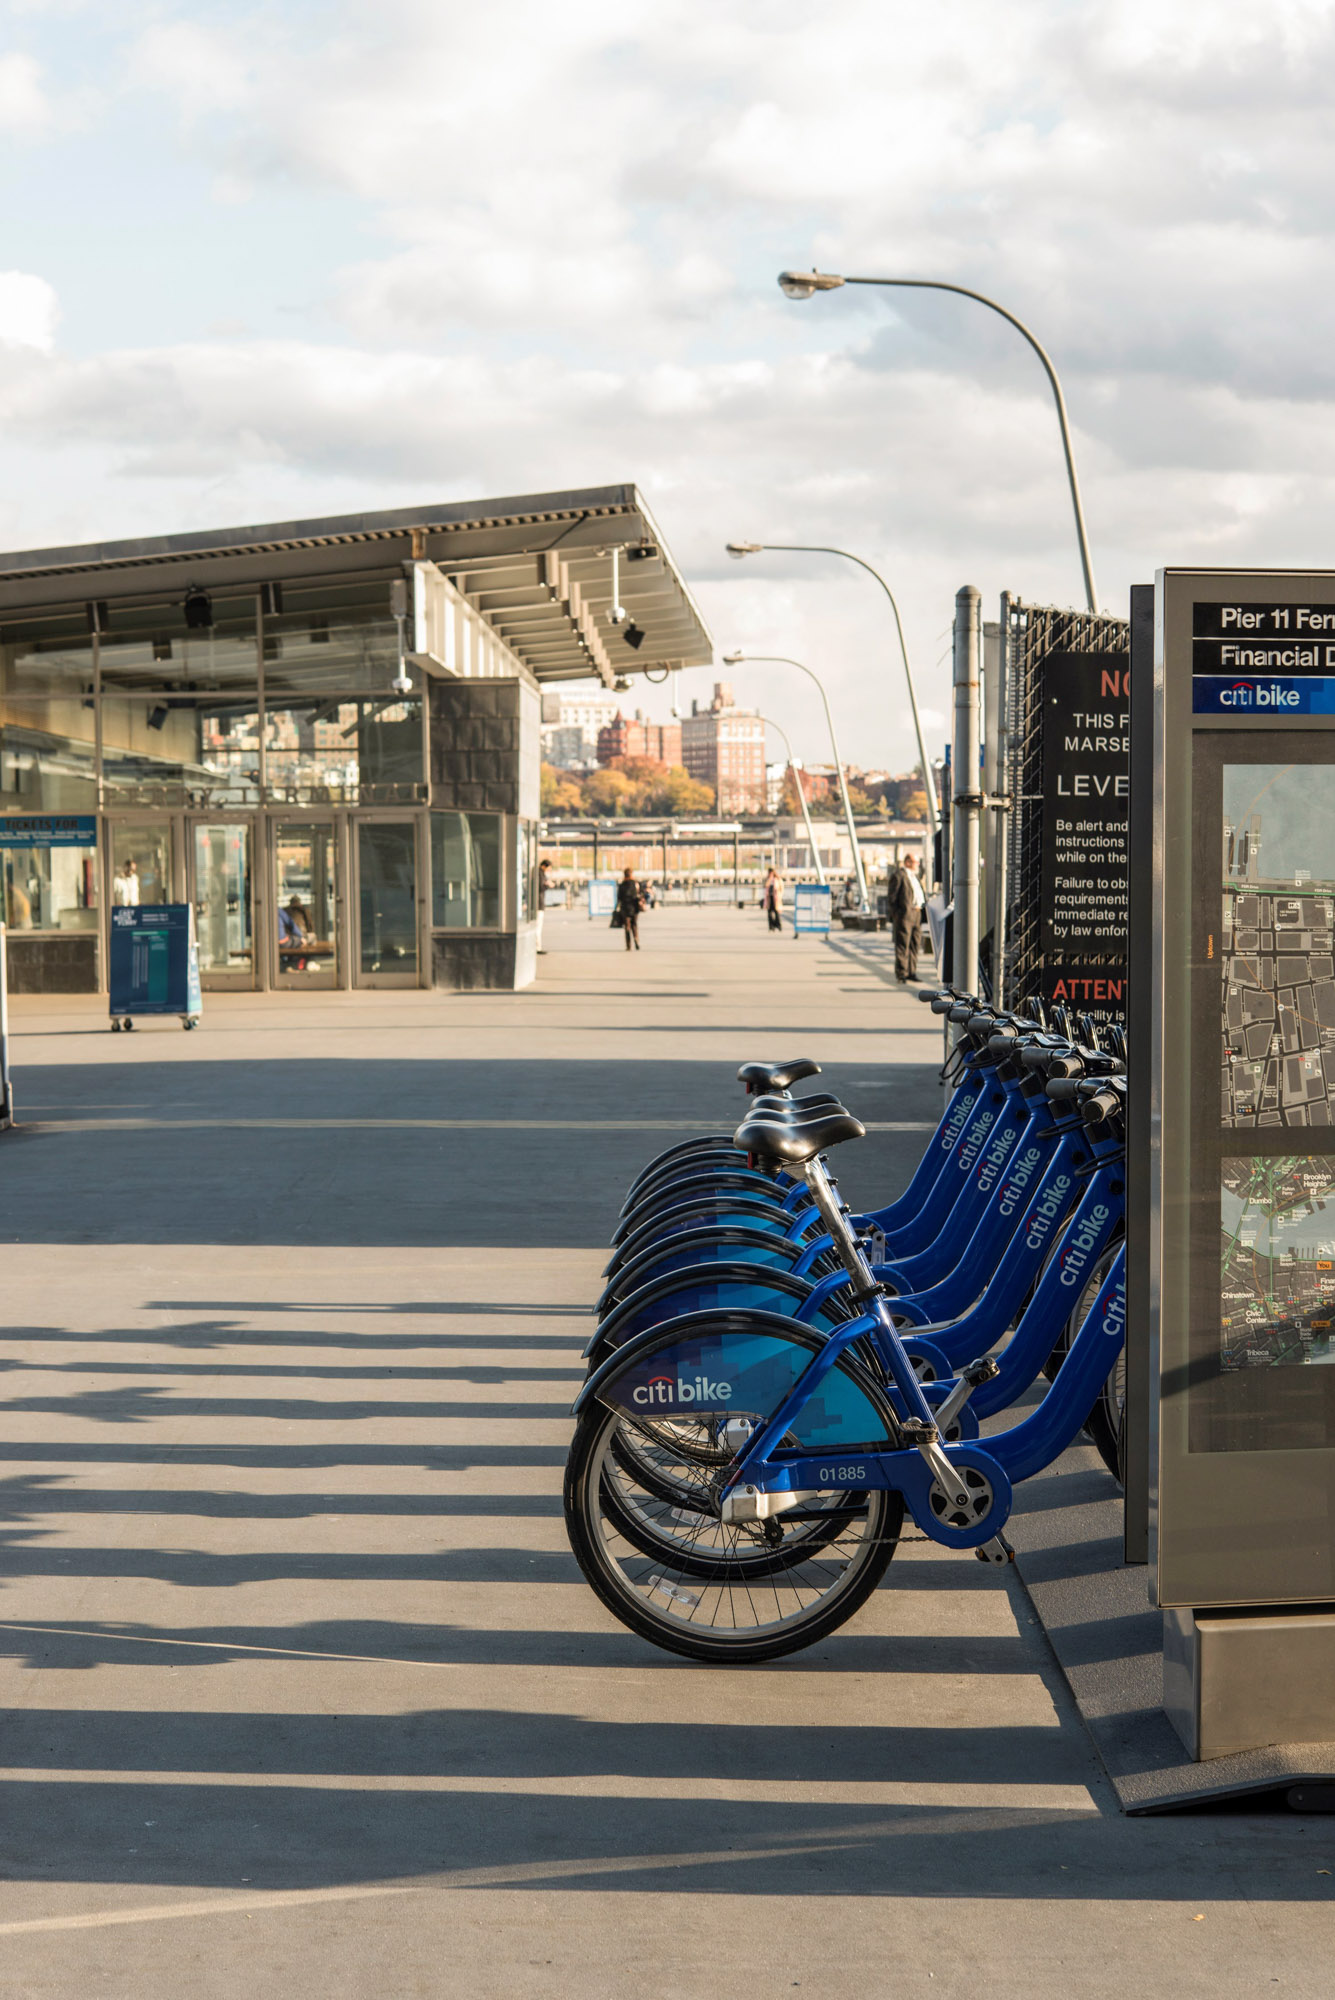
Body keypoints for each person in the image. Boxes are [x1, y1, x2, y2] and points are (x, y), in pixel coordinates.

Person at [886, 852, 927, 984]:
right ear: (908, 862)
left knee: (915, 944)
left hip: (917, 913)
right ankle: (901, 974)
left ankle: (911, 972)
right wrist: (898, 914)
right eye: (915, 862)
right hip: (905, 915)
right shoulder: (899, 876)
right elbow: (892, 897)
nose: (917, 865)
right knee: (903, 944)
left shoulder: (914, 876)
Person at [614, 865, 644, 951]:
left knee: (627, 926)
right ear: (631, 874)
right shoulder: (636, 883)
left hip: (625, 907)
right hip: (635, 906)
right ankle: (636, 939)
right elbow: (642, 893)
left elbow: (619, 897)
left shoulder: (622, 885)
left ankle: (628, 945)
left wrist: (617, 907)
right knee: (634, 924)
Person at [536, 858, 551, 954]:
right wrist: (548, 885)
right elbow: (540, 887)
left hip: (538, 903)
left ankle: (538, 946)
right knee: (538, 926)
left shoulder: (539, 873)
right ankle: (538, 947)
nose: (549, 870)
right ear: (544, 866)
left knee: (538, 926)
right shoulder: (540, 874)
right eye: (549, 868)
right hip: (539, 903)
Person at [763, 866, 783, 933]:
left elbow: (781, 888)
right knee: (769, 913)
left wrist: (780, 895)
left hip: (776, 898)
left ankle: (778, 925)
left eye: (771, 872)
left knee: (776, 912)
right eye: (769, 873)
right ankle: (771, 927)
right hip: (769, 898)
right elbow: (765, 885)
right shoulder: (767, 879)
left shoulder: (777, 879)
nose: (770, 874)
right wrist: (769, 879)